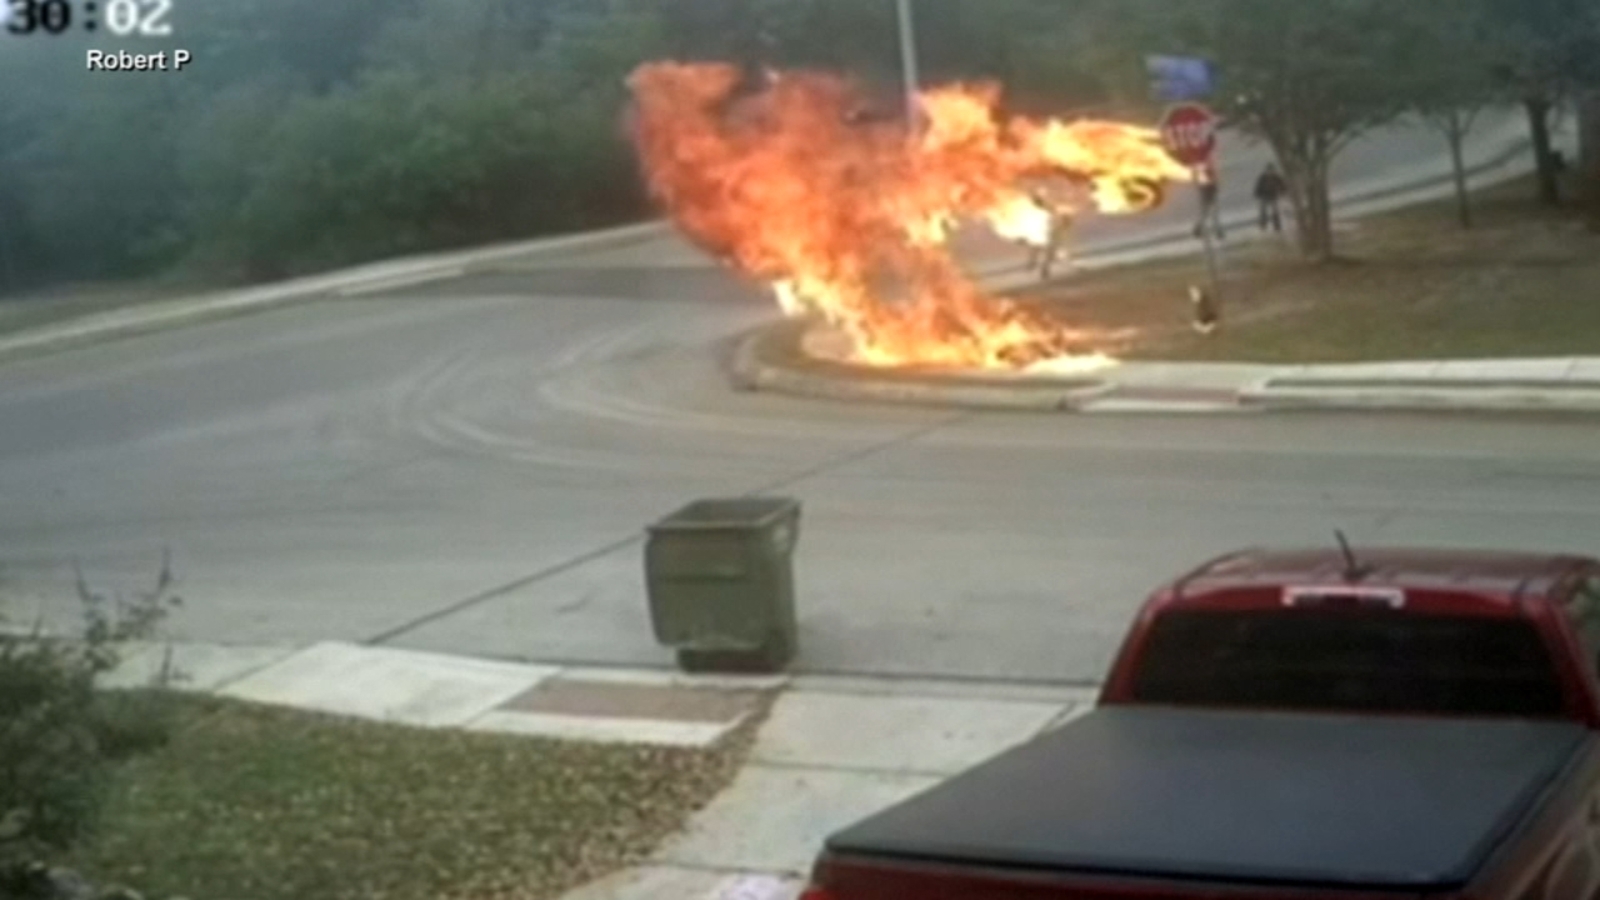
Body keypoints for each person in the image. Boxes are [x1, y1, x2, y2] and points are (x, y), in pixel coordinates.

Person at [1192, 162, 1225, 241]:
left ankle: (1199, 229)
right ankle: (1218, 232)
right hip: (1210, 194)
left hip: (1206, 194)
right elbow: (1214, 183)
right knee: (1213, 214)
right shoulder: (1208, 170)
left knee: (1205, 213)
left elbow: (1199, 183)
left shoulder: (1201, 171)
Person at [1254, 163, 1287, 233]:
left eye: (1271, 170)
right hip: (1264, 195)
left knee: (1275, 211)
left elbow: (1282, 185)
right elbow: (1258, 186)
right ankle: (1263, 224)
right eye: (1269, 170)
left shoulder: (1276, 177)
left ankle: (1277, 226)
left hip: (1273, 195)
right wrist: (1257, 194)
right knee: (1263, 210)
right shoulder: (1263, 177)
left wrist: (1283, 191)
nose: (1270, 172)